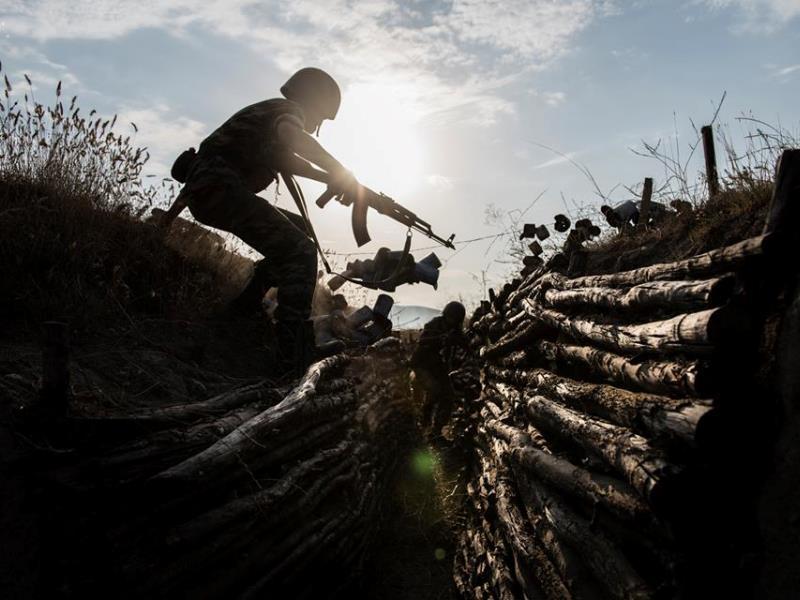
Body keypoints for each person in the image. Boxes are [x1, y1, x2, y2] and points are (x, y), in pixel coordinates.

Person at [159, 68, 357, 372]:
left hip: (212, 190)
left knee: (299, 230)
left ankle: (245, 308)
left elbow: (285, 159)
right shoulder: (288, 111)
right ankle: (292, 354)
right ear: (311, 101)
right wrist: (341, 172)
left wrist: (332, 179)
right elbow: (293, 137)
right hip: (219, 189)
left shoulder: (268, 112)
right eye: (320, 118)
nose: (316, 126)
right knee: (301, 251)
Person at [409, 301, 467, 437]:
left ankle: (435, 430)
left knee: (447, 396)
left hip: (437, 367)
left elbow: (463, 342)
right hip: (422, 364)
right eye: (450, 317)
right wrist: (442, 339)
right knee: (434, 391)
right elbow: (423, 341)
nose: (451, 321)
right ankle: (424, 424)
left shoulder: (456, 331)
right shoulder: (434, 325)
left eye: (455, 319)